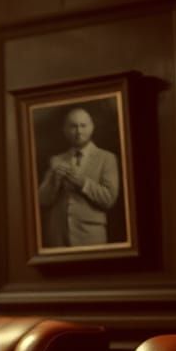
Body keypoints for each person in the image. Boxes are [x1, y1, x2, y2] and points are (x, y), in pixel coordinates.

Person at [38, 105, 119, 248]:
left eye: (83, 125)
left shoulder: (107, 158)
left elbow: (109, 199)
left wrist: (82, 183)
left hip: (91, 236)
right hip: (57, 238)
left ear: (92, 127)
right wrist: (55, 180)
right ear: (64, 130)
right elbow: (42, 200)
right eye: (73, 126)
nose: (78, 131)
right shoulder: (57, 160)